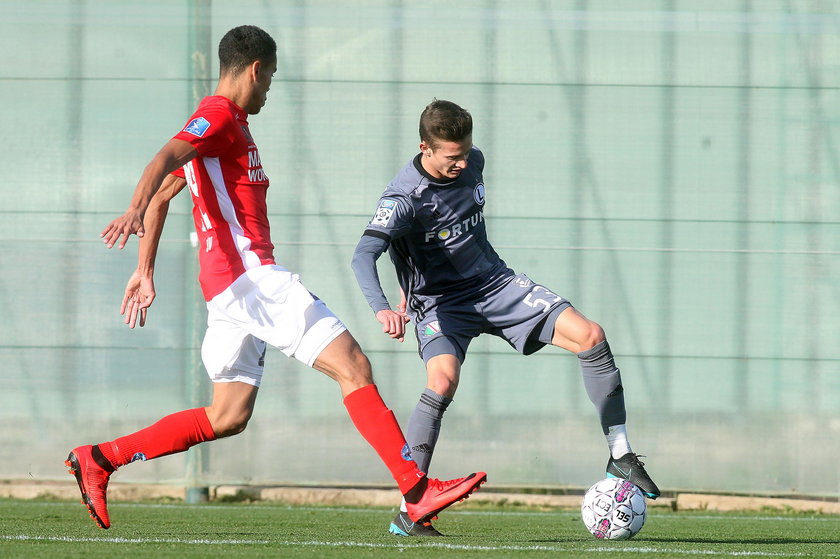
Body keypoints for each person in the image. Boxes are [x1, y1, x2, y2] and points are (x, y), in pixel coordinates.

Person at [65, 27, 485, 531]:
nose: (269, 90)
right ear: (255, 70)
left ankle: (100, 458)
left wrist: (144, 269)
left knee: (228, 415)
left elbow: (166, 193)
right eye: (271, 79)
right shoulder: (217, 116)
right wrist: (132, 209)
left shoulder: (224, 126)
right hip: (251, 279)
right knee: (353, 365)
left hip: (226, 291)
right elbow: (163, 163)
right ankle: (415, 491)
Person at [351, 99, 659, 537]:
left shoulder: (474, 160)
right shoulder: (403, 199)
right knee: (441, 381)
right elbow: (364, 255)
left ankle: (620, 454)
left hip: (496, 285)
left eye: (465, 151)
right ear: (424, 147)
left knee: (590, 335)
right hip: (441, 305)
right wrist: (382, 305)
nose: (461, 162)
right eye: (450, 156)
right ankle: (412, 506)